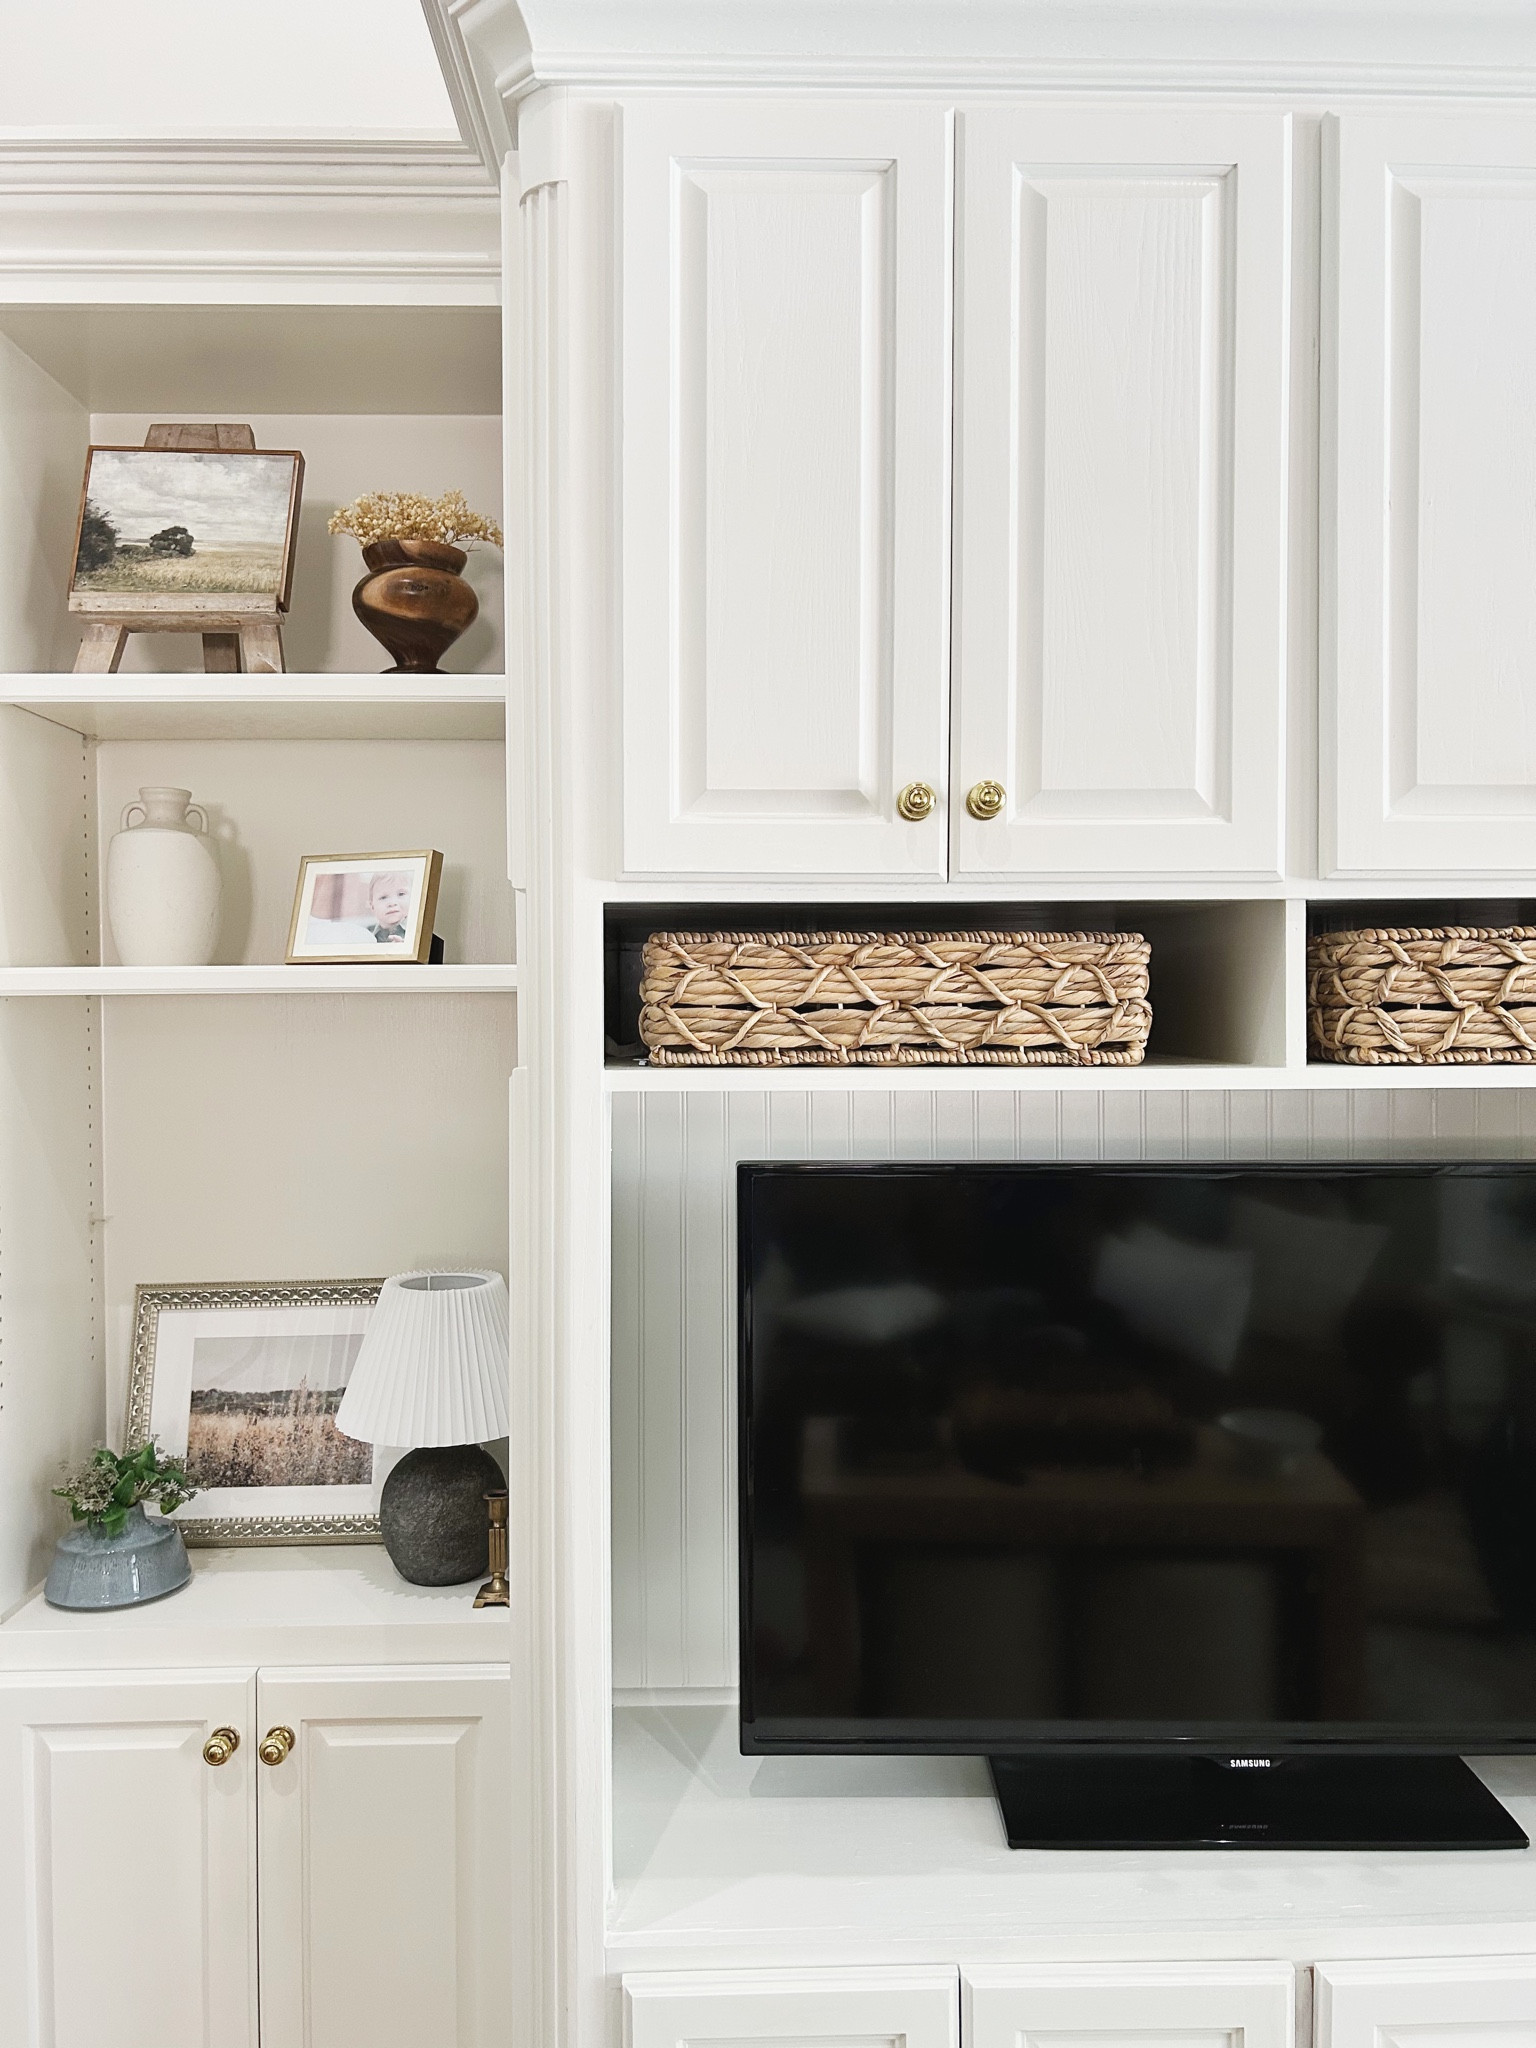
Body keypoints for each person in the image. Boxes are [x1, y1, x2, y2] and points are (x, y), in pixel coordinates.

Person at [363, 870, 413, 946]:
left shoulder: (416, 931)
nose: (392, 903)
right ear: (372, 906)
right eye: (383, 898)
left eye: (401, 894)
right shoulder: (365, 936)